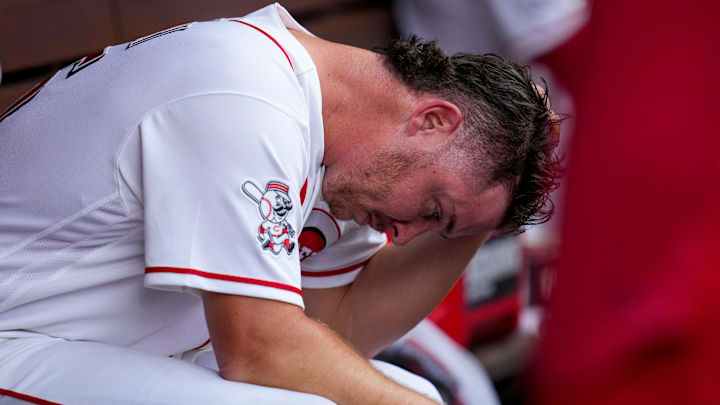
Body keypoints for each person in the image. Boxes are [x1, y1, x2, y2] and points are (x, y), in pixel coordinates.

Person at [0, 3, 560, 404]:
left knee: (415, 390)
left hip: (81, 347)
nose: (407, 235)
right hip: (13, 336)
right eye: (435, 211)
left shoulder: (356, 160)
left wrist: (475, 221)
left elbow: (338, 332)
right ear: (433, 121)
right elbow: (259, 350)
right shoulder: (242, 89)